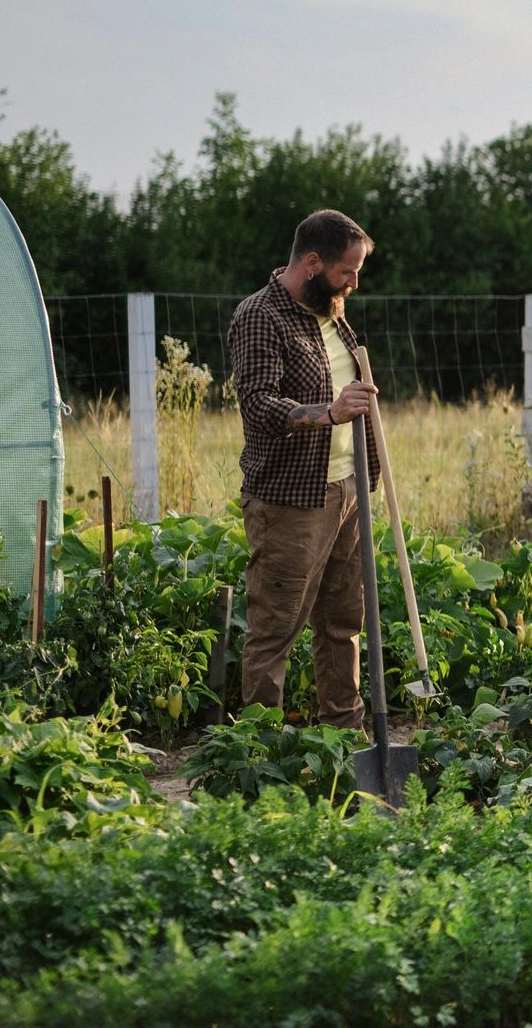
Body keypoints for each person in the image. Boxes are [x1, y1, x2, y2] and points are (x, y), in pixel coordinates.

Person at [228, 209, 383, 728]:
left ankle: (343, 734)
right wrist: (330, 412)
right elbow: (257, 404)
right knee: (277, 627)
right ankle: (257, 749)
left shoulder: (332, 311)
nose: (354, 283)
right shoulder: (260, 315)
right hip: (291, 501)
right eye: (347, 271)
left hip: (348, 488)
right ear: (313, 263)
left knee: (343, 621)